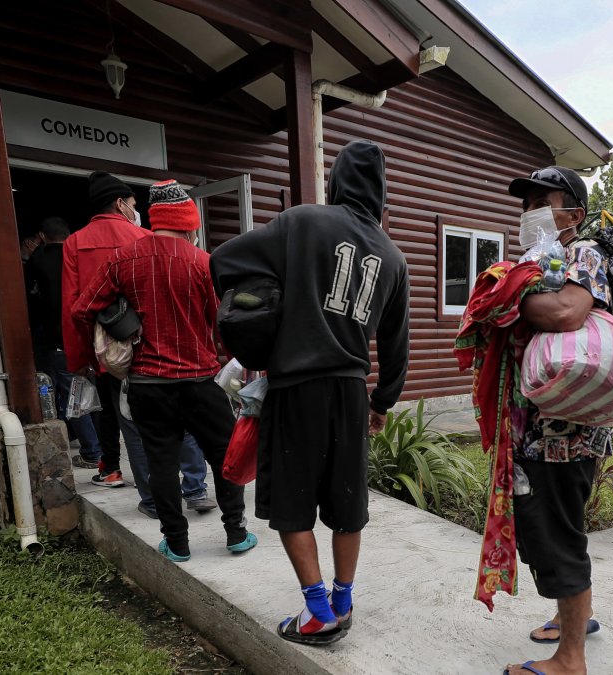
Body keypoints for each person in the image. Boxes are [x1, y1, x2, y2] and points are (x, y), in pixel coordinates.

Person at [210, 140, 410, 646]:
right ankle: (343, 601)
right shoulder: (393, 256)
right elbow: (396, 342)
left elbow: (225, 261)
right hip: (350, 392)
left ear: (336, 181)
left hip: (296, 387)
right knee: (347, 504)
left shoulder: (302, 222)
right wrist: (382, 403)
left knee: (291, 505)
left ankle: (319, 612)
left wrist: (271, 309)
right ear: (382, 193)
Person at [70, 180, 254, 561]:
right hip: (201, 380)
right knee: (223, 458)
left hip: (147, 383)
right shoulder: (203, 262)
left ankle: (178, 543)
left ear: (154, 219)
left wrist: (110, 338)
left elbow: (82, 309)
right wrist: (237, 361)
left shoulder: (122, 259)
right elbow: (223, 323)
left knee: (161, 462)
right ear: (189, 221)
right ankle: (236, 533)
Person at [501, 166, 613, 675]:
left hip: (563, 433)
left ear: (575, 213)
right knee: (559, 530)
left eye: (542, 202)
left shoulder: (582, 254)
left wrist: (507, 298)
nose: (531, 213)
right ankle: (578, 619)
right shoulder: (535, 261)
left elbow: (568, 312)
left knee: (557, 537)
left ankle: (570, 660)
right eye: (527, 204)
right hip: (537, 427)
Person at [61, 171, 216, 517]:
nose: (135, 209)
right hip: (168, 353)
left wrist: (85, 358)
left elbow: (77, 309)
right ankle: (195, 488)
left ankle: (152, 500)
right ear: (121, 204)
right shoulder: (146, 241)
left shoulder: (75, 243)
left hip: (114, 357)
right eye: (133, 204)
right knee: (183, 421)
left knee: (135, 428)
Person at [26, 216, 102, 468]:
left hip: (59, 340)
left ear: (43, 236)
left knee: (73, 395)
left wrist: (35, 250)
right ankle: (102, 445)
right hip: (93, 337)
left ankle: (92, 451)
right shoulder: (82, 259)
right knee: (95, 393)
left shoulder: (40, 259)